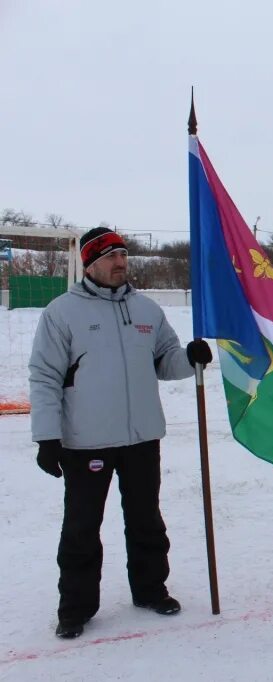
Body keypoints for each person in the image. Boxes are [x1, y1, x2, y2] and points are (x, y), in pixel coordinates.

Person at [29, 227, 212, 640]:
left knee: (147, 520)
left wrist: (190, 357)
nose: (120, 263)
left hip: (143, 438)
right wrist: (47, 437)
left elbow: (165, 362)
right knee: (81, 527)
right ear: (90, 263)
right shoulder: (62, 313)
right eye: (111, 257)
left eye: (124, 255)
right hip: (86, 441)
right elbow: (44, 377)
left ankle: (150, 590)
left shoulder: (147, 310)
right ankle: (75, 608)